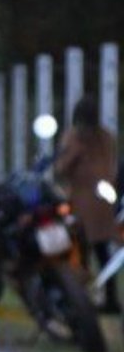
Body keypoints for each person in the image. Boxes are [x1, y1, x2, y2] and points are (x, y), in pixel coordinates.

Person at [55, 96, 120, 314]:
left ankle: (102, 298)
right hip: (87, 201)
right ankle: (91, 299)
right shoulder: (83, 138)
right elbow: (63, 168)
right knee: (88, 252)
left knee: (93, 251)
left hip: (93, 202)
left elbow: (62, 169)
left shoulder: (98, 139)